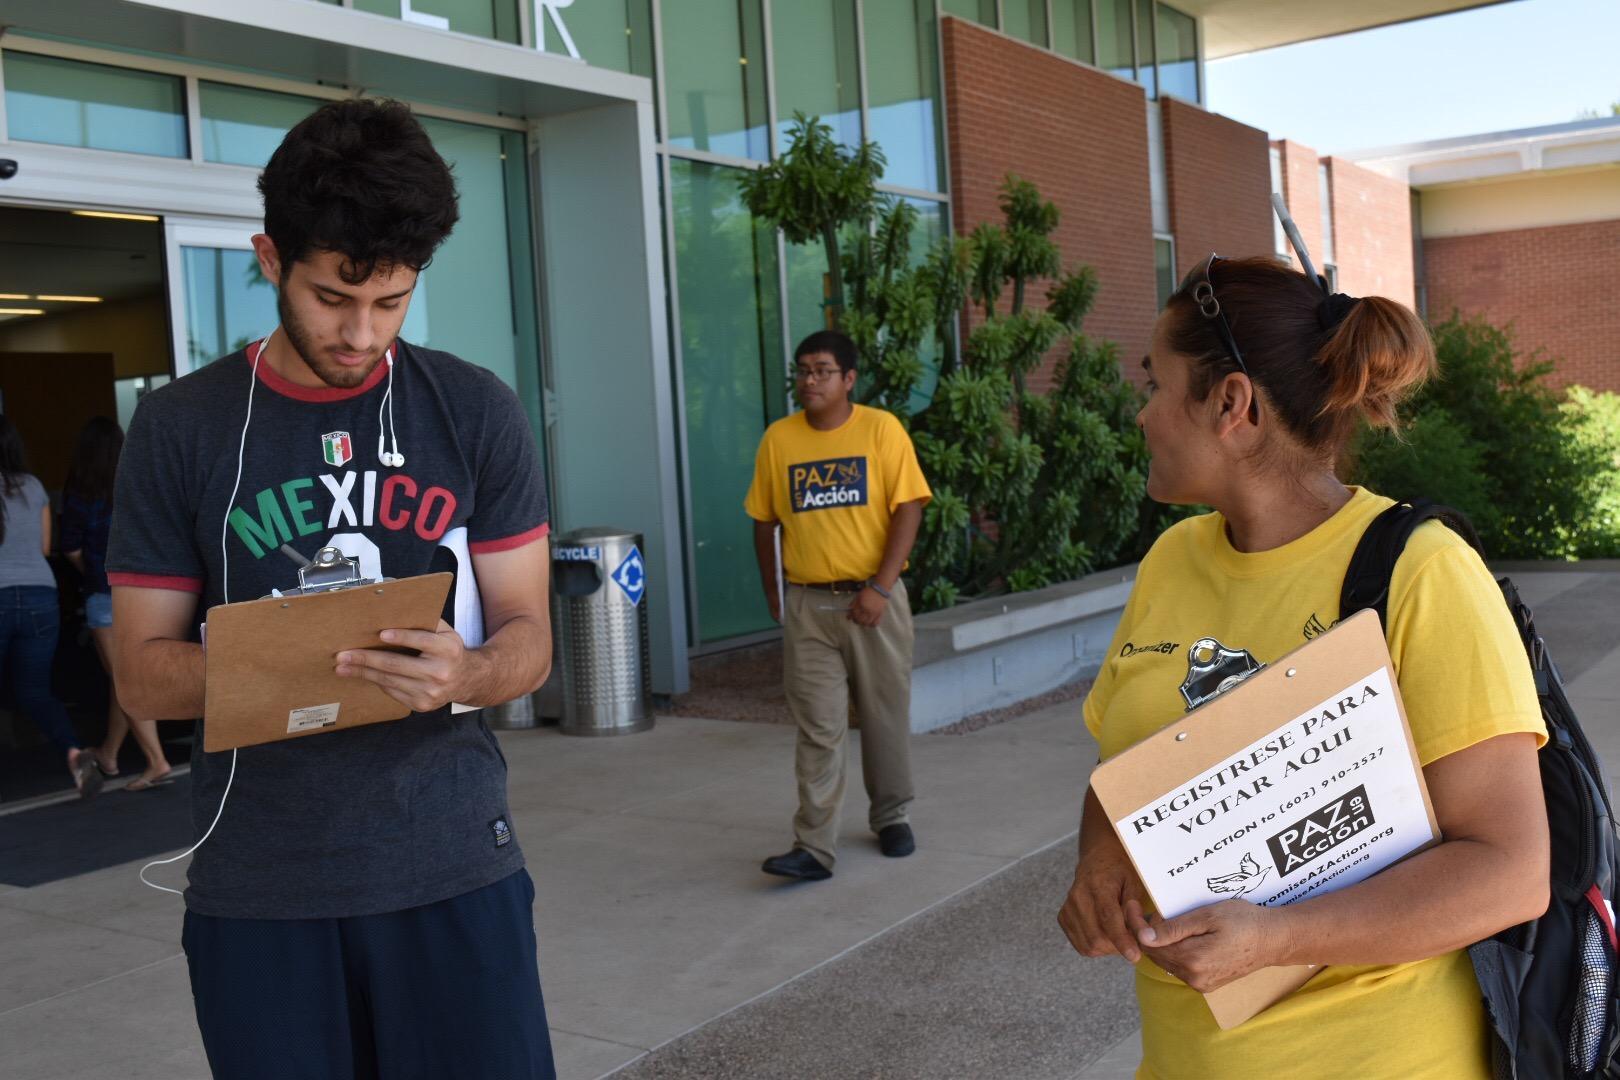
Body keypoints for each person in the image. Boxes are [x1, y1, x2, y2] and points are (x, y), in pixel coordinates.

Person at [106, 99, 556, 1079]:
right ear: (270, 259)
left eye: (391, 300)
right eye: (332, 296)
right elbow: (140, 678)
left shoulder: (473, 410)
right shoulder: (182, 429)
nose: (361, 333)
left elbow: (530, 637)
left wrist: (469, 670)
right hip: (262, 893)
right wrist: (311, 656)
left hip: (452, 870)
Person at [1056, 255, 1549, 1079]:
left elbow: (1510, 874)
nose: (1141, 415)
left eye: (1155, 383)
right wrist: (1101, 858)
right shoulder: (1172, 561)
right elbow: (1126, 773)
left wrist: (1280, 938)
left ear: (1231, 405)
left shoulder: (1421, 571)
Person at [744, 329, 932, 882]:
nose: (809, 380)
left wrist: (880, 587)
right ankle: (814, 845)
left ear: (849, 379)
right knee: (818, 728)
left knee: (883, 719)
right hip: (810, 606)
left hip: (874, 599)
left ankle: (891, 815)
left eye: (822, 370)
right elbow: (763, 520)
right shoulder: (780, 439)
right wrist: (775, 593)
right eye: (802, 370)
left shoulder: (881, 430)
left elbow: (909, 509)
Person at [61, 417, 174, 791]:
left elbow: (71, 547)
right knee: (125, 679)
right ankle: (110, 753)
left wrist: (94, 571)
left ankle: (156, 761)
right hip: (144, 594)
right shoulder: (139, 483)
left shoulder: (80, 490)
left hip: (103, 594)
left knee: (125, 680)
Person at [0, 415, 102, 798]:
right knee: (35, 691)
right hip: (41, 595)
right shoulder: (33, 486)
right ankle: (75, 754)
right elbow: (46, 547)